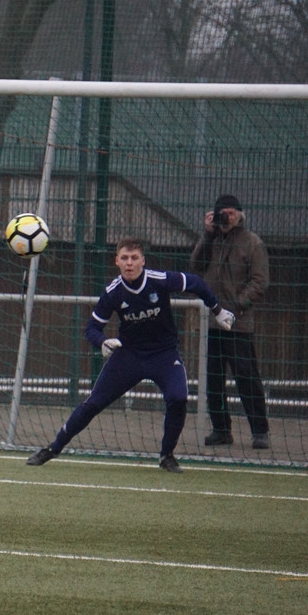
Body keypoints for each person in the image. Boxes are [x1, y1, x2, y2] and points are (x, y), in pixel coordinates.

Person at [26, 237, 236, 473]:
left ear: (143, 261)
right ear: (117, 261)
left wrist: (217, 310)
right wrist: (102, 341)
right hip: (129, 356)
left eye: (134, 258)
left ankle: (167, 456)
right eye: (124, 258)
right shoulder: (113, 292)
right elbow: (91, 329)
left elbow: (196, 282)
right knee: (93, 403)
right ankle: (53, 449)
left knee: (178, 398)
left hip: (164, 355)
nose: (129, 263)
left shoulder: (159, 280)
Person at [190, 195, 271, 449]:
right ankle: (221, 429)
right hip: (212, 324)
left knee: (247, 377)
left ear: (239, 214)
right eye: (223, 213)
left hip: (239, 324)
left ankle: (260, 430)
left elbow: (260, 282)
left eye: (232, 212)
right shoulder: (211, 240)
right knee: (213, 379)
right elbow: (196, 266)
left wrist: (235, 307)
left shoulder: (252, 243)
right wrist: (207, 235)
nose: (228, 216)